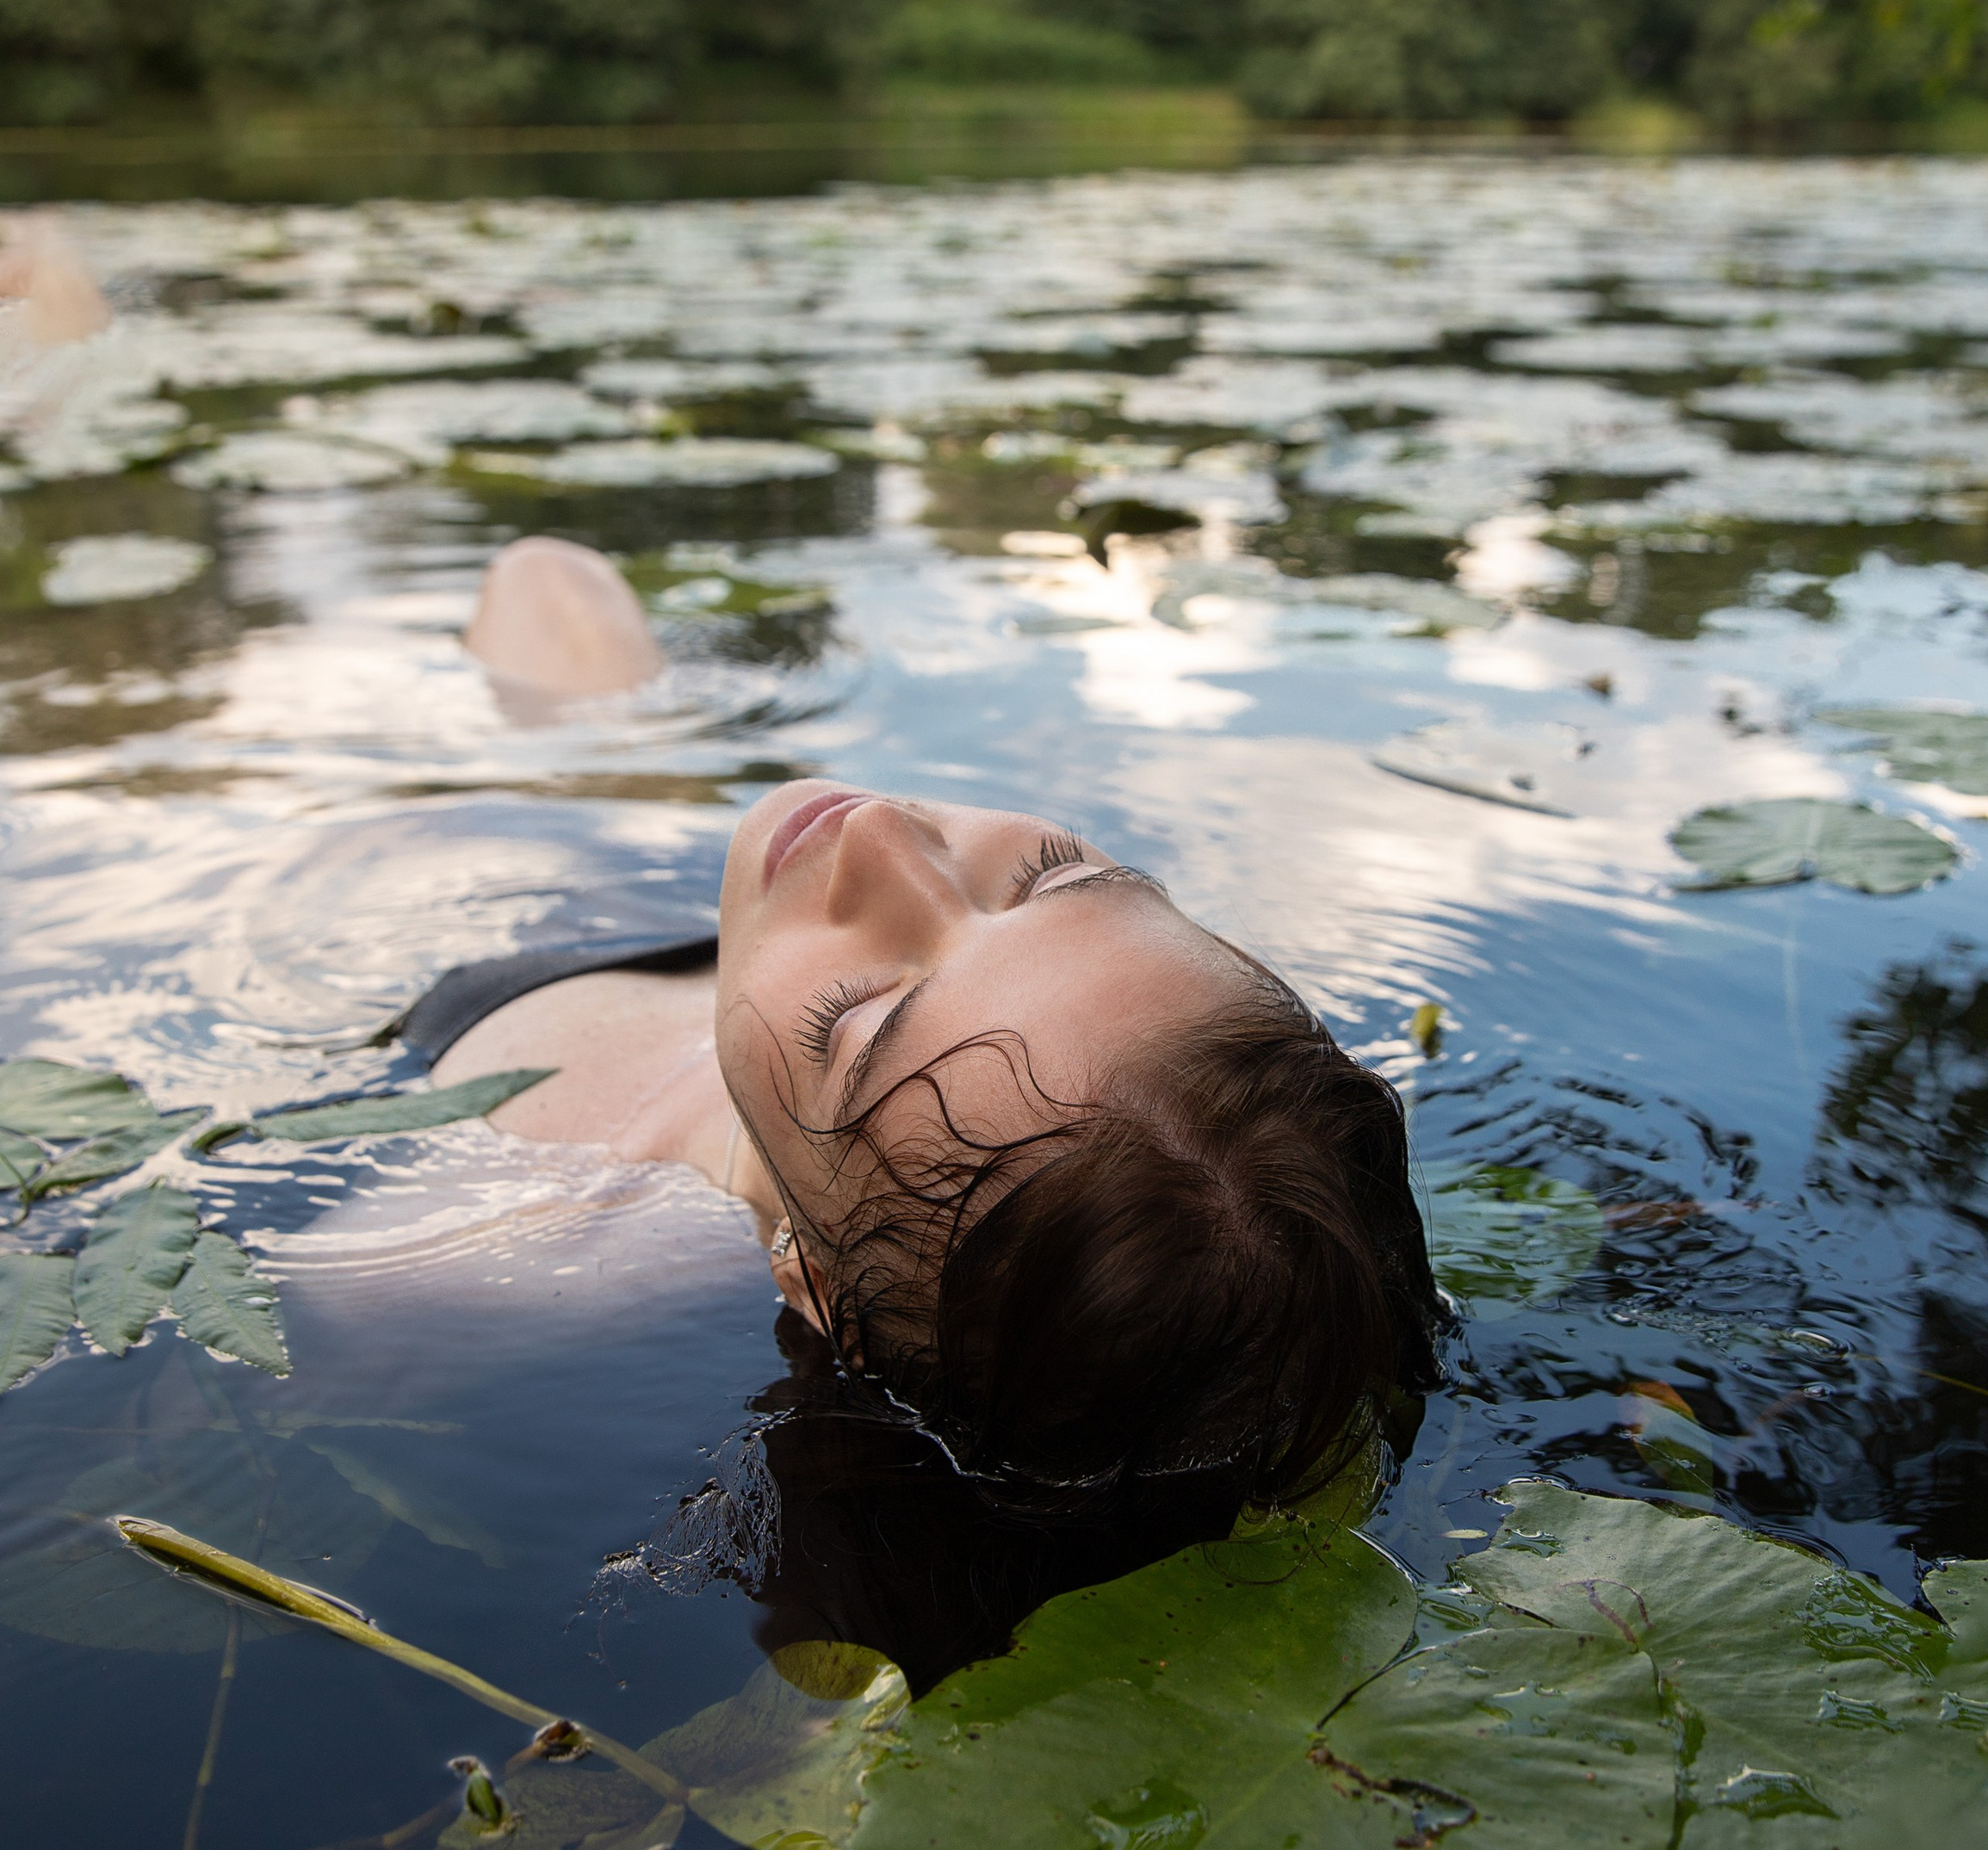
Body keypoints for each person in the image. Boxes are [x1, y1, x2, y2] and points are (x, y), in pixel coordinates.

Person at [430, 534, 1445, 1515]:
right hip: (639, 834)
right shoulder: (806, 906)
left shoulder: (520, 1224)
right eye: (1056, 876)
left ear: (813, 1283)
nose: (875, 830)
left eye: (859, 1020)